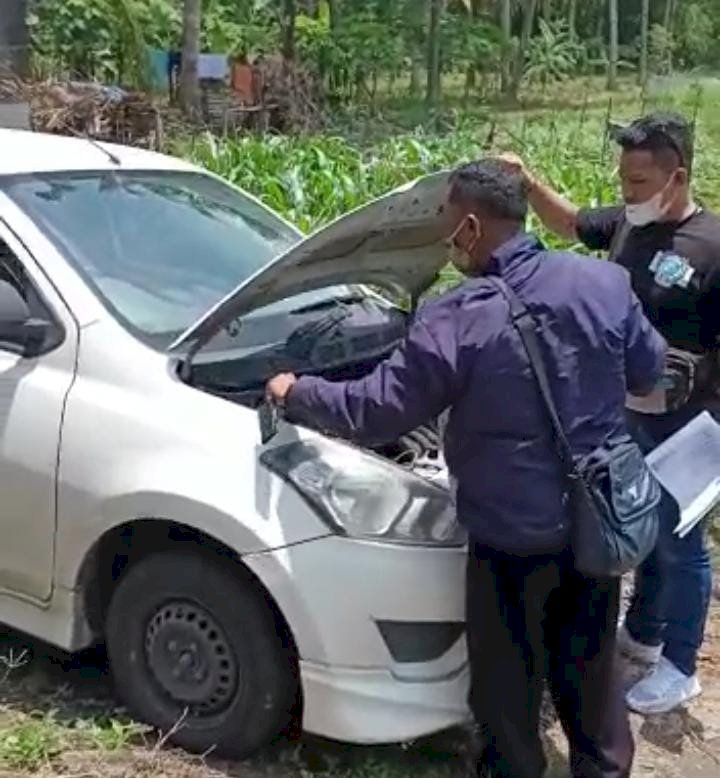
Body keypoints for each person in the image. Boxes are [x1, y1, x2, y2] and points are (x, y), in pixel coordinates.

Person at [267, 160, 667, 778]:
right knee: (589, 663)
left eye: (449, 225)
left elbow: (375, 410)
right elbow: (647, 373)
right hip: (597, 520)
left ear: (473, 226)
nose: (448, 240)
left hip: (510, 539)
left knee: (508, 683)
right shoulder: (604, 283)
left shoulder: (457, 317)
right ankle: (606, 768)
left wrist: (296, 391)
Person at [502, 111, 720, 715]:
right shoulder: (628, 225)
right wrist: (526, 181)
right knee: (641, 525)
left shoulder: (713, 246)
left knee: (682, 543)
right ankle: (645, 634)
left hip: (694, 423)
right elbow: (571, 223)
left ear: (677, 177)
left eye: (640, 182)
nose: (627, 194)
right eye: (624, 180)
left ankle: (681, 665)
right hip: (627, 410)